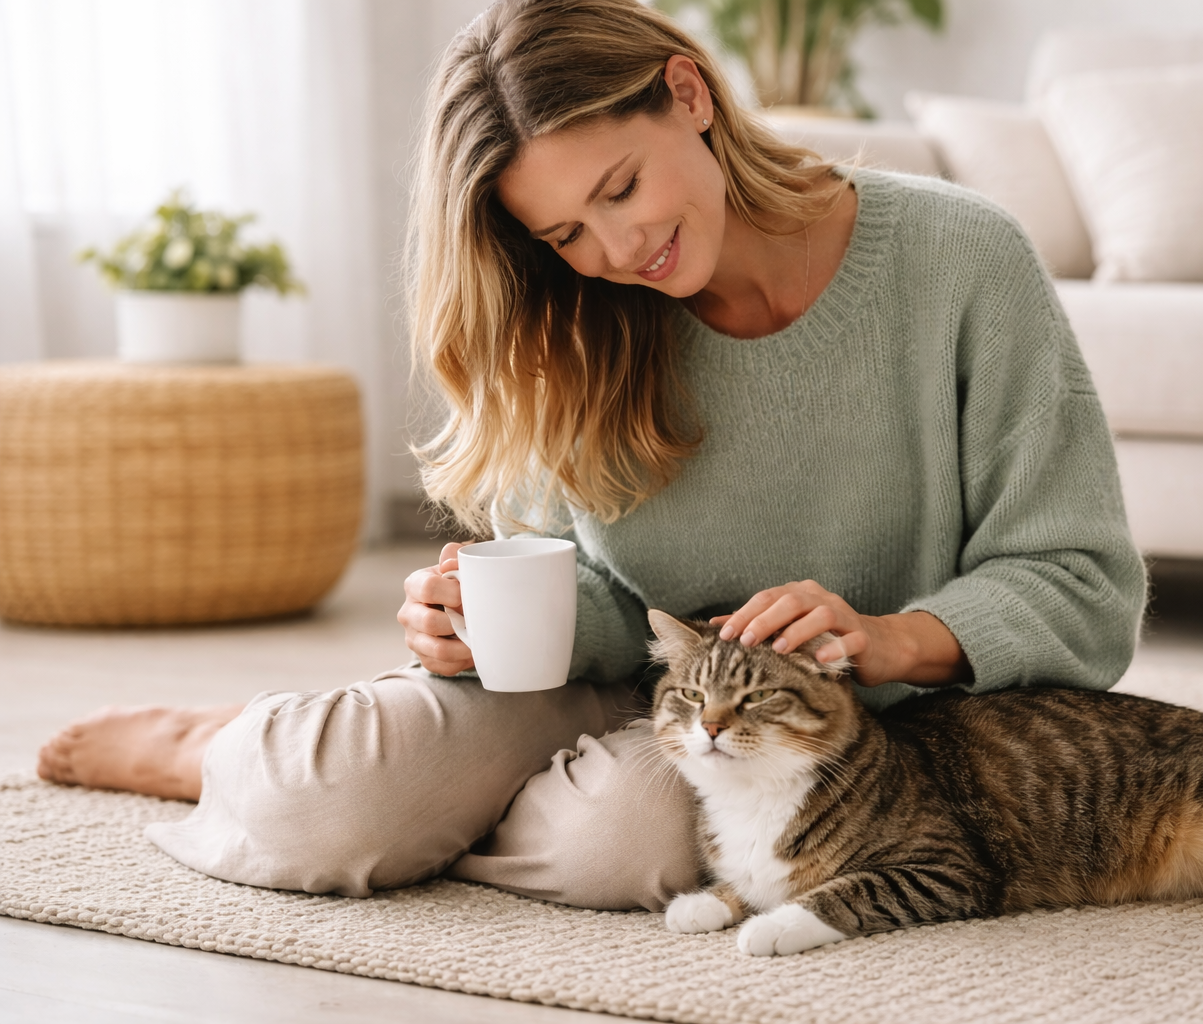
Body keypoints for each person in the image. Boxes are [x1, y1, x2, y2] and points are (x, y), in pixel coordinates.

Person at [35, 0, 1146, 911]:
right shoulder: (574, 315)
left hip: (835, 741)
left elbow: (1082, 587)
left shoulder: (962, 261)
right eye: (565, 232)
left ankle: (368, 772)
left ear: (689, 94)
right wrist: (474, 615)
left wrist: (892, 636)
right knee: (324, 813)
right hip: (620, 685)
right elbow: (593, 592)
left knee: (618, 848)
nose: (618, 251)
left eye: (618, 188)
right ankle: (236, 750)